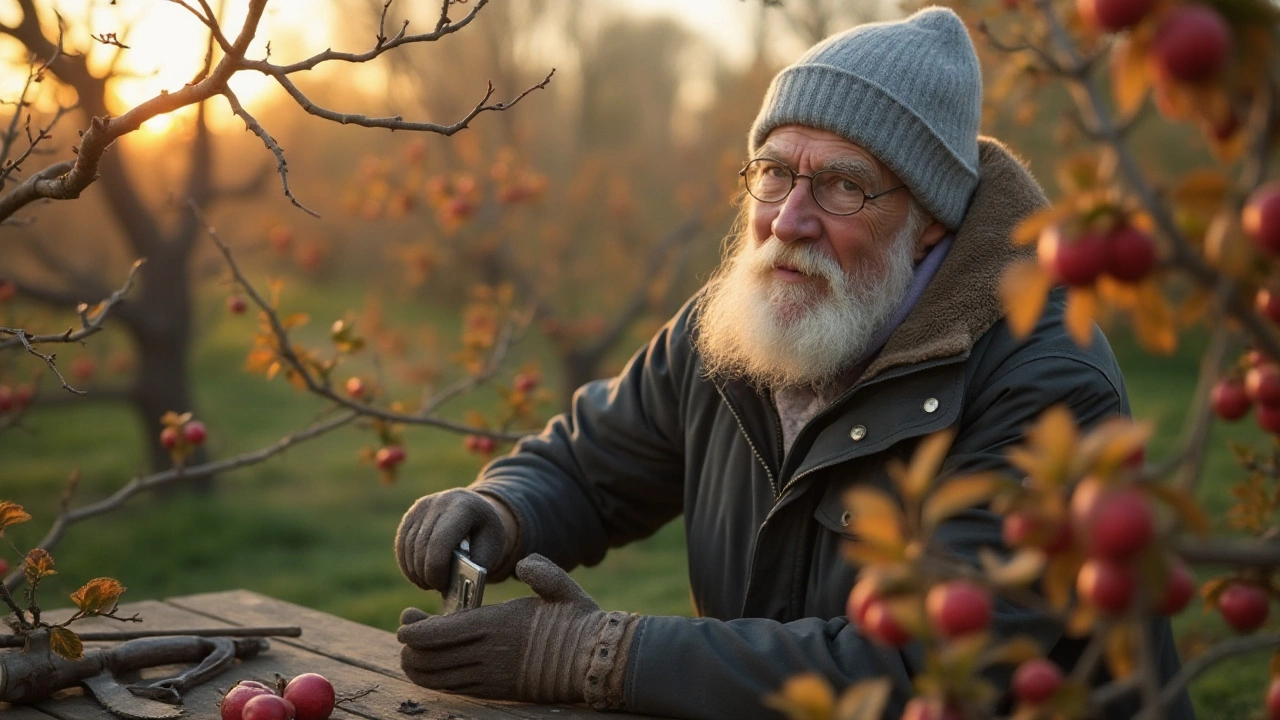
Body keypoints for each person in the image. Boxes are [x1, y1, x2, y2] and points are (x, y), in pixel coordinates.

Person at [393, 7, 1194, 719]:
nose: (791, 219)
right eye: (774, 172)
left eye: (843, 184)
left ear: (929, 223)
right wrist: (502, 508)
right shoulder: (741, 325)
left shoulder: (1045, 388)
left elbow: (925, 667)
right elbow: (592, 464)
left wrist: (600, 655)